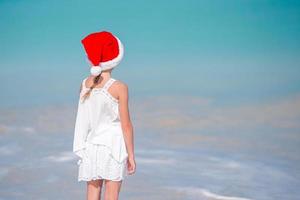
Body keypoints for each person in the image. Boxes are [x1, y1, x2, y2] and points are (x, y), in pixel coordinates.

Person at [73, 31, 136, 200]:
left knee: (92, 195)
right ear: (116, 58)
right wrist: (131, 155)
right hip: (112, 147)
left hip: (91, 146)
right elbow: (126, 125)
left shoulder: (85, 84)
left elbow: (85, 118)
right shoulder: (119, 87)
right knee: (111, 195)